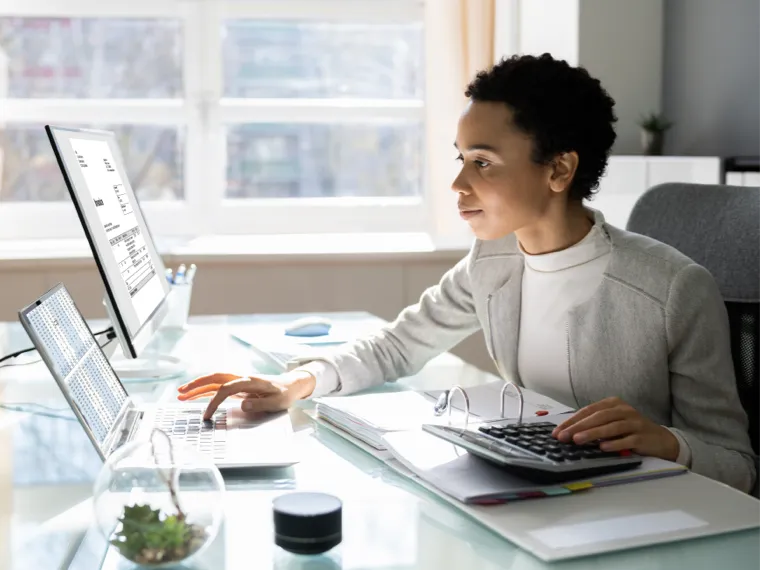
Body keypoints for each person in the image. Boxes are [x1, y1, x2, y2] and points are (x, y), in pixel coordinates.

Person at [178, 53, 756, 493]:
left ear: (559, 169)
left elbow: (738, 465)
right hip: (531, 494)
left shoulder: (675, 289)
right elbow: (398, 346)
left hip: (641, 515)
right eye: (461, 159)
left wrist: (668, 443)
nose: (459, 185)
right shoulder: (494, 260)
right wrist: (294, 383)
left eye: (483, 163)